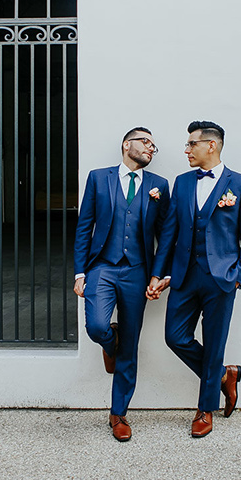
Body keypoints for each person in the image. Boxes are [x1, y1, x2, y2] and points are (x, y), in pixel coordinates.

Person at [147, 120, 241, 438]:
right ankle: (224, 376)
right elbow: (169, 232)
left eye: (191, 144)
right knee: (175, 337)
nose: (186, 150)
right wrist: (158, 273)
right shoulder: (181, 183)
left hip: (221, 279)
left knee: (214, 345)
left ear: (211, 145)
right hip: (184, 276)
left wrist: (240, 275)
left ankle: (204, 409)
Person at [73, 127, 170, 441]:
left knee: (130, 345)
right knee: (97, 326)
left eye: (154, 146)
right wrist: (79, 273)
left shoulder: (158, 186)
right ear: (127, 144)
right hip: (102, 266)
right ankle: (108, 340)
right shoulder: (98, 178)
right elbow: (84, 225)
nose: (151, 149)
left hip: (137, 272)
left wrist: (158, 274)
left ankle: (118, 414)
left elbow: (165, 235)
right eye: (145, 142)